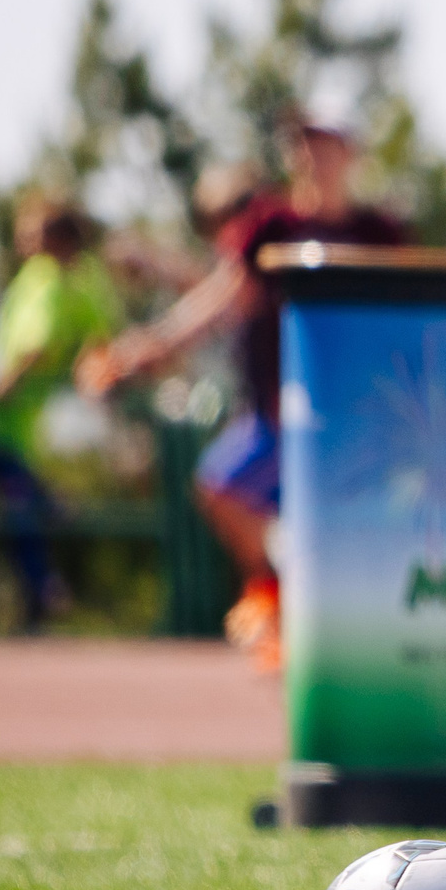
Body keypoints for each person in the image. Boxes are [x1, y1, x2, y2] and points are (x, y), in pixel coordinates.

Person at [79, 118, 408, 664]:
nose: (311, 155)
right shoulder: (273, 225)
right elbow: (225, 295)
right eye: (303, 143)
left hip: (354, 419)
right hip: (280, 412)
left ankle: (329, 625)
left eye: (324, 143)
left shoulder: (379, 231)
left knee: (348, 531)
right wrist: (149, 346)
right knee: (221, 487)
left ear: (351, 152)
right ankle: (276, 593)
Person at [0, 196, 124, 630]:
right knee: (14, 501)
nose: (22, 239)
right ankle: (39, 586)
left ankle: (48, 506)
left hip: (14, 408)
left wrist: (12, 378)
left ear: (54, 238)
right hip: (18, 412)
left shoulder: (54, 279)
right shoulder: (55, 275)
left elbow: (43, 340)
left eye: (32, 231)